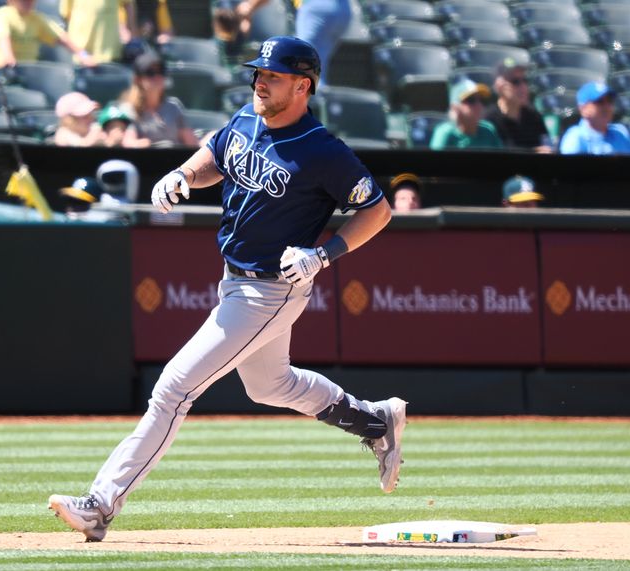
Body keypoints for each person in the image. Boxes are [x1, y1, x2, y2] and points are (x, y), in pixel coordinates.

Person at [48, 36, 408, 542]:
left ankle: (101, 503)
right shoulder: (247, 117)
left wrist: (324, 254)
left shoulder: (323, 149)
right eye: (258, 73)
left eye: (274, 76)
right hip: (234, 279)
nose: (260, 81)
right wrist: (180, 174)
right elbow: (215, 156)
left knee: (174, 388)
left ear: (303, 86)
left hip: (271, 289)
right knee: (270, 385)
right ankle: (373, 421)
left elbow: (378, 210)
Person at [235, 0, 351, 87]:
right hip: (343, 10)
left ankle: (311, 115)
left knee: (304, 69)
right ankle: (320, 111)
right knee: (316, 70)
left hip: (316, 8)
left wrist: (249, 6)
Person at [0, 0, 96, 83]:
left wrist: (83, 55)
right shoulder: (2, 14)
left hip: (28, 74)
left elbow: (62, 38)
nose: (28, 2)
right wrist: (10, 60)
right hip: (2, 72)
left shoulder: (37, 19)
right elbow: (4, 40)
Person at [118, 51, 199, 148]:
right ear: (138, 79)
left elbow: (192, 143)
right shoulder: (129, 109)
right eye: (150, 73)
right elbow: (128, 143)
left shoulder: (174, 106)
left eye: (161, 72)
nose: (157, 77)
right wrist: (142, 144)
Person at [485, 58, 552, 153]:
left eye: (525, 80)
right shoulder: (489, 121)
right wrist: (533, 152)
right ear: (499, 86)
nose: (523, 86)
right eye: (515, 81)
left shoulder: (534, 116)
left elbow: (547, 147)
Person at [559, 82, 630, 156]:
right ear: (583, 109)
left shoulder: (621, 133)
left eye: (609, 101)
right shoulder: (575, 138)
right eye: (599, 102)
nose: (607, 107)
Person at [430, 79, 503, 151]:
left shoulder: (488, 131)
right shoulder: (445, 133)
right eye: (471, 100)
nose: (479, 105)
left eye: (481, 100)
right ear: (454, 107)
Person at [59, 0, 134, 64]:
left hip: (111, 53)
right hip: (81, 55)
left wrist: (129, 30)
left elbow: (128, 4)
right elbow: (66, 14)